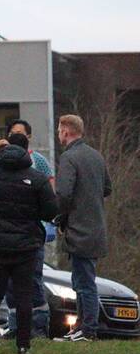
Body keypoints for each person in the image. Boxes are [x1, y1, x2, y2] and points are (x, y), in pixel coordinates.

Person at [0, 133, 58, 354]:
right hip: (26, 247)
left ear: (3, 151)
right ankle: (23, 344)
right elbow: (51, 211)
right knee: (24, 297)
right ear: (27, 153)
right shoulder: (36, 178)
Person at [53, 114, 112, 342]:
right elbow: (107, 188)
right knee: (84, 279)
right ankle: (82, 328)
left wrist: (60, 218)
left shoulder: (69, 158)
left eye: (59, 130)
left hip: (79, 230)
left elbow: (64, 194)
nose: (59, 135)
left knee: (83, 283)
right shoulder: (96, 156)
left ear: (66, 131)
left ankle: (87, 330)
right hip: (97, 228)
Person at [0, 119, 55, 339]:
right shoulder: (1, 161)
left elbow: (50, 193)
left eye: (20, 134)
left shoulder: (37, 161)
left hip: (32, 231)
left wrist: (49, 222)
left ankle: (39, 326)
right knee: (11, 283)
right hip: (9, 232)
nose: (16, 138)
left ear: (28, 137)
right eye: (12, 133)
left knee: (33, 279)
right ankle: (14, 325)